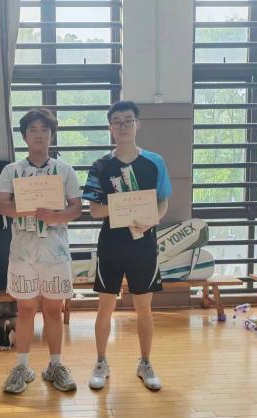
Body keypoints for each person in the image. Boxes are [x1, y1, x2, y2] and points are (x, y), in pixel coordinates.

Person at [82, 100, 172, 391]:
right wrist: (122, 204)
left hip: (143, 243)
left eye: (128, 120)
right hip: (111, 244)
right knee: (105, 307)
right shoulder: (100, 166)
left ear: (137, 124)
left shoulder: (154, 162)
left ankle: (145, 362)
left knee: (144, 308)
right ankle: (101, 362)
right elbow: (95, 210)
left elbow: (163, 200)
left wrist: (153, 219)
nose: (123, 126)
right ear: (110, 128)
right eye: (117, 122)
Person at [0, 108, 82, 393]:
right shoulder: (12, 170)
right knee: (26, 309)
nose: (39, 134)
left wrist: (58, 216)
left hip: (55, 251)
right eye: (33, 129)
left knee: (54, 310)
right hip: (23, 252)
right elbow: (1, 205)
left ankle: (55, 365)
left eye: (44, 130)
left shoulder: (65, 170)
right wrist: (27, 208)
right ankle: (21, 367)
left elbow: (76, 207)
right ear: (24, 136)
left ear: (52, 135)